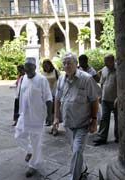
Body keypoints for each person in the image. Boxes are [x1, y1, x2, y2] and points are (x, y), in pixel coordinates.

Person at [53, 52, 101, 180]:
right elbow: (57, 99)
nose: (66, 65)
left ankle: (74, 177)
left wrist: (94, 120)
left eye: (69, 63)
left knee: (77, 150)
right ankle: (82, 168)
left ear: (76, 64)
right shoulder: (61, 80)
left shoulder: (86, 78)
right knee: (75, 151)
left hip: (83, 123)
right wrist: (56, 117)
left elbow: (94, 99)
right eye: (64, 63)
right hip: (68, 123)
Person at [15, 57, 52, 177]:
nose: (27, 70)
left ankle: (33, 165)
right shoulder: (24, 78)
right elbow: (20, 95)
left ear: (35, 68)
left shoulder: (41, 80)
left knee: (36, 141)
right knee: (19, 134)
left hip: (37, 116)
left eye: (30, 67)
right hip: (24, 114)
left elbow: (48, 98)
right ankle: (30, 150)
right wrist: (18, 112)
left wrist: (50, 115)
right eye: (26, 67)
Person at [93, 54, 118, 146]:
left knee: (118, 119)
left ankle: (118, 137)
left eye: (107, 61)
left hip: (116, 99)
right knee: (104, 118)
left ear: (113, 60)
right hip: (105, 98)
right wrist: (100, 96)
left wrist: (119, 97)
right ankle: (102, 138)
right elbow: (102, 83)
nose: (105, 63)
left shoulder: (119, 69)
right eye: (105, 61)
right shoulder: (104, 70)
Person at [78, 54, 102, 124]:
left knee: (94, 108)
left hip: (91, 92)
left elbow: (97, 80)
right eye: (80, 61)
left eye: (83, 61)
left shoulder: (91, 70)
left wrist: (96, 76)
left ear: (86, 61)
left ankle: (94, 122)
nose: (81, 63)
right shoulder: (77, 70)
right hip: (81, 93)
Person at [42, 59, 60, 128]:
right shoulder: (43, 73)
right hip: (46, 93)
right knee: (48, 110)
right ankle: (49, 121)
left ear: (50, 65)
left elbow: (61, 81)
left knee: (54, 109)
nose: (46, 67)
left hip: (55, 93)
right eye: (44, 66)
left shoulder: (56, 72)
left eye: (47, 65)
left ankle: (54, 126)